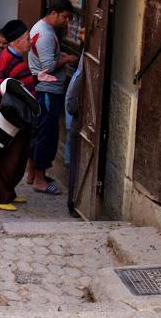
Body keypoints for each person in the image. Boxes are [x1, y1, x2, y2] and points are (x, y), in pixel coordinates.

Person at [0, 20, 37, 211]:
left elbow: (20, 84)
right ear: (16, 41)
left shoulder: (15, 58)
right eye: (27, 38)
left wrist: (37, 79)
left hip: (21, 118)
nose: (30, 42)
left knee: (19, 158)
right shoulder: (5, 59)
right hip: (11, 120)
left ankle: (9, 192)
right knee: (8, 159)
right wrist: (10, 110)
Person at [27, 0, 79, 194]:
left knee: (38, 132)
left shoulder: (43, 30)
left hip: (43, 89)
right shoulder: (45, 34)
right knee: (46, 134)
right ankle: (39, 179)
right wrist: (67, 59)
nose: (67, 22)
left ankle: (32, 173)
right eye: (65, 17)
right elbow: (47, 66)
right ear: (55, 13)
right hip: (47, 90)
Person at [65, 27, 85, 217]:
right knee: (75, 162)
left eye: (83, 32)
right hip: (77, 118)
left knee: (76, 162)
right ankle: (74, 202)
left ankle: (75, 201)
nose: (79, 33)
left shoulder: (86, 59)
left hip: (78, 118)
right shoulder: (85, 60)